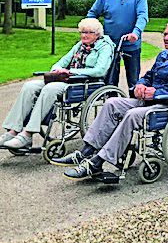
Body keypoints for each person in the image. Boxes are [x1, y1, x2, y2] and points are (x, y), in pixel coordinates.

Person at [53, 22, 168, 178]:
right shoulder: (163, 55)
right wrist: (140, 85)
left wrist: (157, 93)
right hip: (150, 101)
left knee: (132, 115)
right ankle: (86, 151)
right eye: (165, 34)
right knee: (111, 103)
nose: (166, 38)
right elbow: (149, 76)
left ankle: (98, 161)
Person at [0, 19, 114, 150]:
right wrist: (56, 70)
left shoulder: (105, 47)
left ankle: (27, 134)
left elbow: (99, 70)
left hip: (85, 83)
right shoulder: (79, 46)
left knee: (50, 89)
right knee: (29, 86)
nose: (84, 35)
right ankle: (12, 131)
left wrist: (71, 71)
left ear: (97, 34)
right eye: (82, 32)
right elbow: (62, 62)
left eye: (88, 32)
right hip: (67, 80)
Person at [87, 0, 148, 97]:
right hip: (110, 44)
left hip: (131, 43)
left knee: (134, 81)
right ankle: (112, 108)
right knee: (109, 80)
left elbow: (142, 15)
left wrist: (136, 33)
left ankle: (133, 110)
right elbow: (92, 14)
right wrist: (93, 33)